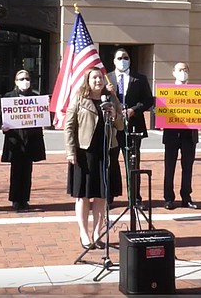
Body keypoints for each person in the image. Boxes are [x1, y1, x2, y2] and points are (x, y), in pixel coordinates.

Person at [65, 68, 124, 250]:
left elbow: (121, 126)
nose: (98, 80)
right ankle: (83, 232)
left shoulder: (111, 98)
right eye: (94, 78)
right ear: (88, 80)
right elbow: (69, 126)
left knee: (101, 195)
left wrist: (115, 114)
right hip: (84, 152)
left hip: (106, 151)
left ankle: (98, 232)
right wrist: (70, 151)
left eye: (100, 77)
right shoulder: (79, 98)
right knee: (83, 195)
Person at [106, 47, 154, 205]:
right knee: (111, 162)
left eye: (125, 57)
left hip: (133, 127)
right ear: (114, 61)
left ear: (129, 60)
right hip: (112, 127)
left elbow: (148, 100)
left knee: (132, 163)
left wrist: (134, 110)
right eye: (119, 58)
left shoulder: (139, 79)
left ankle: (135, 198)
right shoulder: (107, 79)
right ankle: (110, 196)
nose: (122, 61)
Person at [2, 69, 47, 212]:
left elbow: (40, 116)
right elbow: (1, 120)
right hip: (15, 141)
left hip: (31, 140)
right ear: (16, 82)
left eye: (27, 78)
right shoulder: (9, 97)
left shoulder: (36, 97)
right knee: (16, 171)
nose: (25, 81)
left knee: (27, 171)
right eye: (21, 79)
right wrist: (4, 127)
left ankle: (25, 199)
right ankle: (15, 199)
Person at [162, 62, 200, 210]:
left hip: (189, 134)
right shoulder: (167, 91)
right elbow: (158, 111)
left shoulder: (197, 92)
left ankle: (186, 197)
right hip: (171, 134)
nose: (182, 72)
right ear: (174, 73)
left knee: (188, 167)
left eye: (185, 70)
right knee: (169, 166)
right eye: (180, 70)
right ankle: (168, 198)